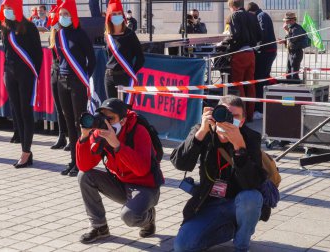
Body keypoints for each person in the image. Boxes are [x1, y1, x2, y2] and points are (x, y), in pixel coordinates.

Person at [171, 95, 266, 252]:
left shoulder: (249, 138)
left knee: (252, 197)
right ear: (215, 114)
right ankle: (228, 230)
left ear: (242, 121)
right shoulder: (203, 131)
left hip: (238, 203)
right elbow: (180, 164)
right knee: (183, 246)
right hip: (209, 203)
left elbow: (253, 184)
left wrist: (239, 148)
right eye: (224, 114)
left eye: (234, 116)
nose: (227, 120)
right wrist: (201, 133)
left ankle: (241, 244)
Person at [76, 98, 164, 244]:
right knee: (84, 176)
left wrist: (117, 145)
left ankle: (148, 217)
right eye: (103, 117)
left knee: (129, 217)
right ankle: (100, 227)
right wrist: (84, 137)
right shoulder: (100, 133)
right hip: (121, 183)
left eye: (110, 118)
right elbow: (84, 166)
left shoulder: (139, 131)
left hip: (146, 187)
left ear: (122, 121)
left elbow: (142, 170)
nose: (106, 122)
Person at [52, 0, 96, 176]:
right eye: (61, 14)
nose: (62, 17)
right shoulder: (58, 34)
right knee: (68, 121)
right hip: (62, 81)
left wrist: (84, 76)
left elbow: (91, 59)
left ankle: (82, 162)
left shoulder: (80, 34)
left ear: (73, 15)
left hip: (77, 81)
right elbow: (59, 57)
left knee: (79, 123)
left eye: (66, 14)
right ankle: (73, 160)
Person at [0, 0, 43, 168]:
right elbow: (6, 52)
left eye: (10, 8)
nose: (7, 11)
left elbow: (38, 54)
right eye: (5, 9)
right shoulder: (4, 27)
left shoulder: (29, 27)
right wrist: (5, 72)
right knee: (16, 113)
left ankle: (26, 152)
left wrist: (34, 74)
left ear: (17, 8)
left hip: (26, 74)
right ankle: (26, 151)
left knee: (26, 112)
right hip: (10, 74)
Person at [219, 0, 261, 122]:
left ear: (232, 6)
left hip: (239, 54)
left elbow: (235, 35)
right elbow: (259, 35)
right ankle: (250, 115)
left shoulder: (235, 15)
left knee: (239, 85)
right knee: (250, 84)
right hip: (251, 53)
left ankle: (242, 116)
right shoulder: (252, 15)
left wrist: (225, 42)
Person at [104, 0, 144, 99]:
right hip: (109, 78)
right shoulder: (107, 35)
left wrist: (131, 73)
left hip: (125, 77)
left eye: (119, 14)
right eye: (114, 14)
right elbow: (108, 56)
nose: (117, 16)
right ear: (109, 16)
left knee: (125, 111)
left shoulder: (130, 34)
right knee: (111, 111)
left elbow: (140, 58)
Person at [246, 2, 277, 118]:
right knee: (263, 79)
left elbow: (262, 34)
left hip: (265, 52)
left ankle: (259, 110)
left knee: (260, 80)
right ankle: (262, 107)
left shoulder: (261, 16)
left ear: (251, 12)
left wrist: (255, 46)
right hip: (268, 51)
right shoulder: (263, 15)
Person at [47, 2, 69, 150]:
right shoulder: (53, 33)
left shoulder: (67, 33)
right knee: (58, 107)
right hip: (55, 71)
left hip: (66, 73)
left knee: (68, 109)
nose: (55, 21)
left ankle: (71, 136)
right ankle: (61, 136)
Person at [278, 12, 306, 80]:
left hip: (296, 52)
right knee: (288, 73)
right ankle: (289, 87)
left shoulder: (297, 28)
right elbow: (290, 40)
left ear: (292, 20)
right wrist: (284, 41)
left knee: (294, 74)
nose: (286, 23)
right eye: (286, 21)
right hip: (291, 52)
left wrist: (287, 30)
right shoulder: (291, 28)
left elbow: (293, 39)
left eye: (287, 21)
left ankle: (297, 88)